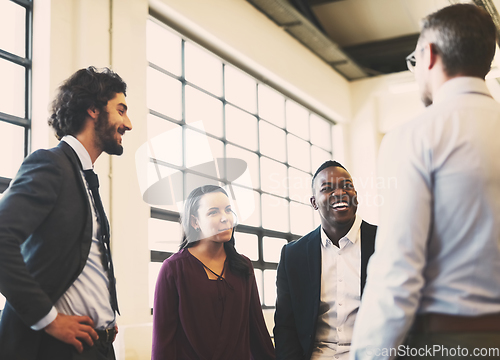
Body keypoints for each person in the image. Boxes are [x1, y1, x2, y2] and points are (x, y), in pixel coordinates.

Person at [350, 4, 500, 360]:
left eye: (414, 60)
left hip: (448, 343)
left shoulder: (416, 136)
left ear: (429, 54)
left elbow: (397, 272)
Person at [0, 66, 132, 360]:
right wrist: (48, 319)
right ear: (93, 110)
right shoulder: (50, 164)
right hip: (58, 349)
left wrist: (105, 317)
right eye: (121, 110)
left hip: (97, 345)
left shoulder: (83, 175)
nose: (129, 124)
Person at [151, 185, 275, 360]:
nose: (225, 218)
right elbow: (163, 344)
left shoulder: (243, 266)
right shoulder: (174, 269)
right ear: (195, 222)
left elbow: (258, 332)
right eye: (213, 212)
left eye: (228, 210)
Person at [274, 160, 377, 360]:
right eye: (328, 188)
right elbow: (286, 327)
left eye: (347, 186)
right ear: (314, 202)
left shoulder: (384, 243)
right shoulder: (293, 255)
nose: (340, 193)